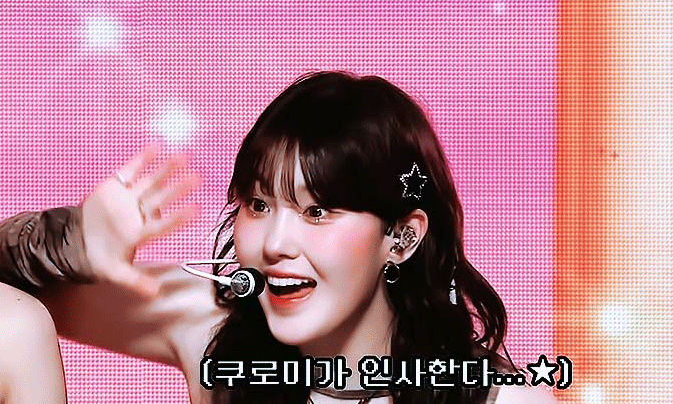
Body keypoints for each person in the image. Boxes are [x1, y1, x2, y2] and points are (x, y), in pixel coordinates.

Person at [0, 71, 557, 404]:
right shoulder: (208, 326)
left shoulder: (500, 397)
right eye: (259, 205)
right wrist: (73, 241)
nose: (274, 243)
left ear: (401, 240)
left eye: (317, 212)